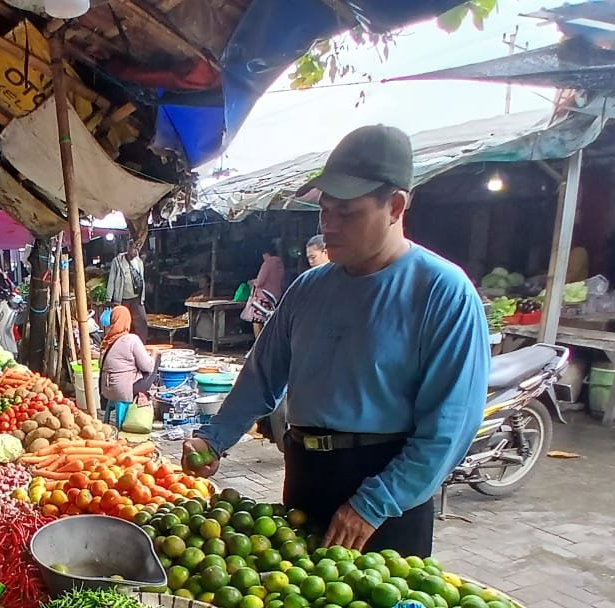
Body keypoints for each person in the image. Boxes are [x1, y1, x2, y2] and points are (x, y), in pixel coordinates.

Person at [183, 125, 488, 557]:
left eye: (347, 213)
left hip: (387, 491)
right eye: (325, 211)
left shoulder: (442, 292)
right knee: (295, 593)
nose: (329, 226)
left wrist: (375, 503)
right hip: (306, 474)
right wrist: (213, 438)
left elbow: (450, 425)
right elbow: (261, 377)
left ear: (395, 207)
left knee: (375, 600)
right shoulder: (308, 289)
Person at [99, 305, 157, 424]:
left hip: (106, 390)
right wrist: (154, 354)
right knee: (155, 361)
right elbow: (148, 366)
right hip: (122, 391)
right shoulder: (131, 339)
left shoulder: (107, 340)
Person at [107, 239, 148, 341]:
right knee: (123, 323)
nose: (136, 252)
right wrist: (109, 298)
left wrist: (142, 297)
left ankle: (141, 343)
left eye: (137, 249)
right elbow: (111, 279)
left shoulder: (139, 262)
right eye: (134, 248)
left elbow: (141, 279)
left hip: (136, 298)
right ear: (128, 248)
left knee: (141, 321)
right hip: (123, 299)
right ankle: (122, 342)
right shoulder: (117, 261)